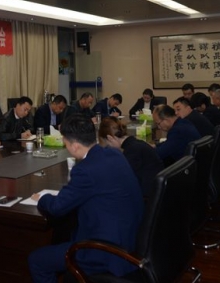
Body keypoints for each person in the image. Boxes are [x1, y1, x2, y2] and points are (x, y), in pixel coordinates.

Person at [27, 114, 143, 282]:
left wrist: (42, 198)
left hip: (106, 250)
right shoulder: (114, 154)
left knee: (37, 260)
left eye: (65, 143)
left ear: (75, 146)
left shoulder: (86, 170)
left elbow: (57, 207)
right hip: (130, 239)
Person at [100, 117, 163, 198]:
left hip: (148, 196)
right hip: (154, 191)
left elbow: (123, 180)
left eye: (107, 145)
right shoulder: (136, 144)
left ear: (110, 138)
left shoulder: (132, 151)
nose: (110, 148)